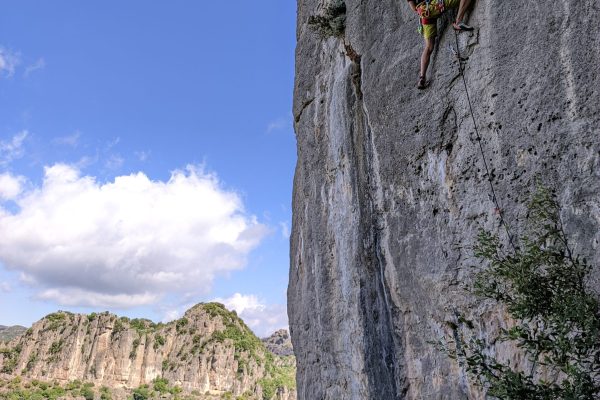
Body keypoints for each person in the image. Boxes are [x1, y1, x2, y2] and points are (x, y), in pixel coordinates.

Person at [407, 0, 474, 89]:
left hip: (424, 13)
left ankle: (422, 77)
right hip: (435, 5)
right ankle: (458, 21)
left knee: (429, 47)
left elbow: (413, 8)